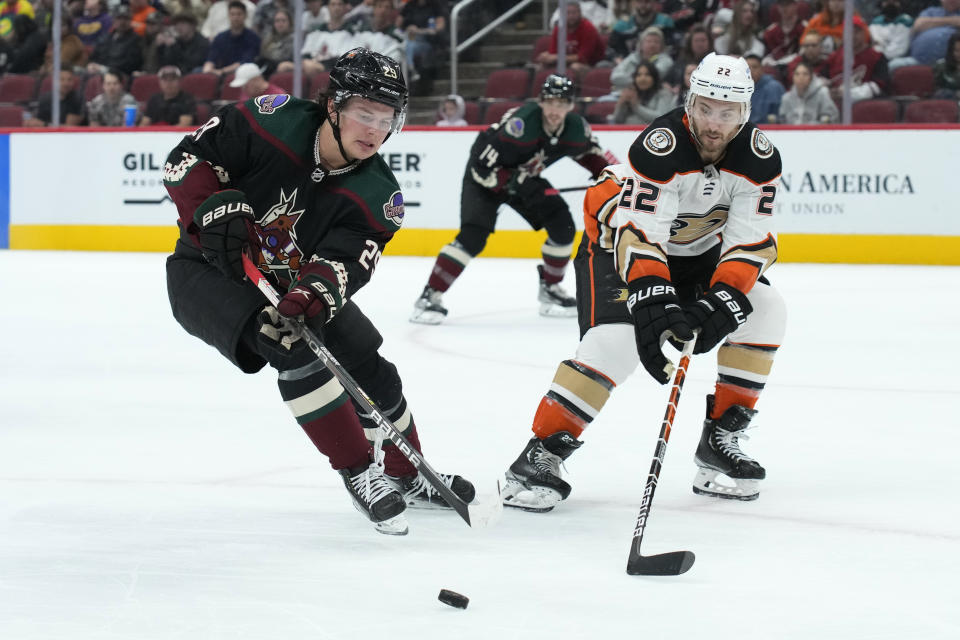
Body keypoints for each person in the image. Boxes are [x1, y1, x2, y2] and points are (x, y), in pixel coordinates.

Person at [162, 48, 476, 536]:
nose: (375, 130)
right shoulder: (271, 120)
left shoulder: (380, 197)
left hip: (288, 283)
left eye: (386, 118)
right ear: (333, 105)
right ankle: (358, 471)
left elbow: (345, 261)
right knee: (289, 349)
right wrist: (211, 208)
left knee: (371, 366)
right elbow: (187, 159)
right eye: (364, 113)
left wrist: (311, 294)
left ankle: (406, 471)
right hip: (207, 273)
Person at [500, 53, 786, 512]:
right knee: (619, 340)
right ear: (690, 102)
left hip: (695, 253)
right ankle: (541, 452)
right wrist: (654, 298)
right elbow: (639, 236)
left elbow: (750, 242)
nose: (714, 123)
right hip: (616, 245)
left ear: (745, 112)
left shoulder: (758, 159)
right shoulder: (662, 145)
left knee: (766, 311)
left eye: (727, 111)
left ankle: (720, 438)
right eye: (706, 107)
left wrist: (723, 299)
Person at [409, 75, 619, 325]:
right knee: (473, 237)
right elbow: (482, 165)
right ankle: (429, 296)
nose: (555, 110)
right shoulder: (521, 124)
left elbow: (590, 154)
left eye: (562, 104)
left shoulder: (575, 128)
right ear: (541, 102)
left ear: (571, 105)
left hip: (524, 180)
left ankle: (550, 290)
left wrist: (611, 176)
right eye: (550, 102)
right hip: (483, 180)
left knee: (563, 225)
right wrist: (517, 183)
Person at [536, 1, 605, 75]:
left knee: (575, 67)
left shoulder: (589, 28)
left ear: (580, 13)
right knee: (541, 67)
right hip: (566, 62)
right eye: (568, 13)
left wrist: (556, 57)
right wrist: (546, 57)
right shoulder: (559, 28)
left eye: (574, 13)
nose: (571, 16)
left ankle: (577, 87)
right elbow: (553, 53)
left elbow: (583, 57)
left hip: (592, 65)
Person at [202, 0, 260, 76]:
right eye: (232, 14)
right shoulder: (220, 37)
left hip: (242, 73)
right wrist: (208, 69)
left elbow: (245, 62)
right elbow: (211, 58)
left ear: (245, 15)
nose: (235, 18)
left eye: (239, 14)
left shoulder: (253, 37)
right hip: (219, 71)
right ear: (228, 16)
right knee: (198, 73)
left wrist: (222, 71)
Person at [612, 60, 677, 124]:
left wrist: (636, 106)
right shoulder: (632, 93)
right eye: (639, 75)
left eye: (647, 74)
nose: (642, 78)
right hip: (628, 132)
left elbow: (661, 117)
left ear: (654, 77)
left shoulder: (663, 93)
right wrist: (621, 104)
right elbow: (617, 121)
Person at [610, 25, 675, 88]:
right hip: (625, 92)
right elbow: (615, 76)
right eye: (649, 41)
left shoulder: (666, 60)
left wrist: (632, 81)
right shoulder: (633, 57)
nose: (652, 44)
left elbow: (654, 77)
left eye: (656, 42)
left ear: (661, 46)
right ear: (641, 44)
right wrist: (637, 82)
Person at [87, 6, 143, 76]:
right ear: (113, 20)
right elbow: (94, 56)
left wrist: (104, 69)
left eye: (126, 18)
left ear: (130, 20)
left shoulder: (136, 40)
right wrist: (92, 65)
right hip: (98, 74)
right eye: (119, 18)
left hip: (120, 77)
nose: (122, 22)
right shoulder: (106, 37)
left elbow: (130, 65)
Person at [909, 0, 960, 66]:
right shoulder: (931, 11)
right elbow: (918, 25)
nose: (951, 0)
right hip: (915, 61)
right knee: (895, 65)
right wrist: (952, 20)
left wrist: (932, 22)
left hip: (948, 66)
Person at [869, 0, 916, 70]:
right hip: (876, 59)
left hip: (896, 61)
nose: (890, 4)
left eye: (894, 1)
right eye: (887, 2)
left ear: (900, 3)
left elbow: (899, 50)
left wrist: (880, 45)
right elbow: (873, 45)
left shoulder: (906, 21)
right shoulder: (875, 22)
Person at [745, 53, 784, 123]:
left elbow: (780, 117)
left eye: (754, 67)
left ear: (762, 69)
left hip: (770, 131)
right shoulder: (737, 88)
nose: (750, 71)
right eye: (747, 68)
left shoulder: (774, 88)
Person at [933, 31, 960, 97]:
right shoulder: (941, 66)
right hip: (949, 102)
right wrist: (955, 94)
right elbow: (937, 92)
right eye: (956, 50)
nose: (959, 54)